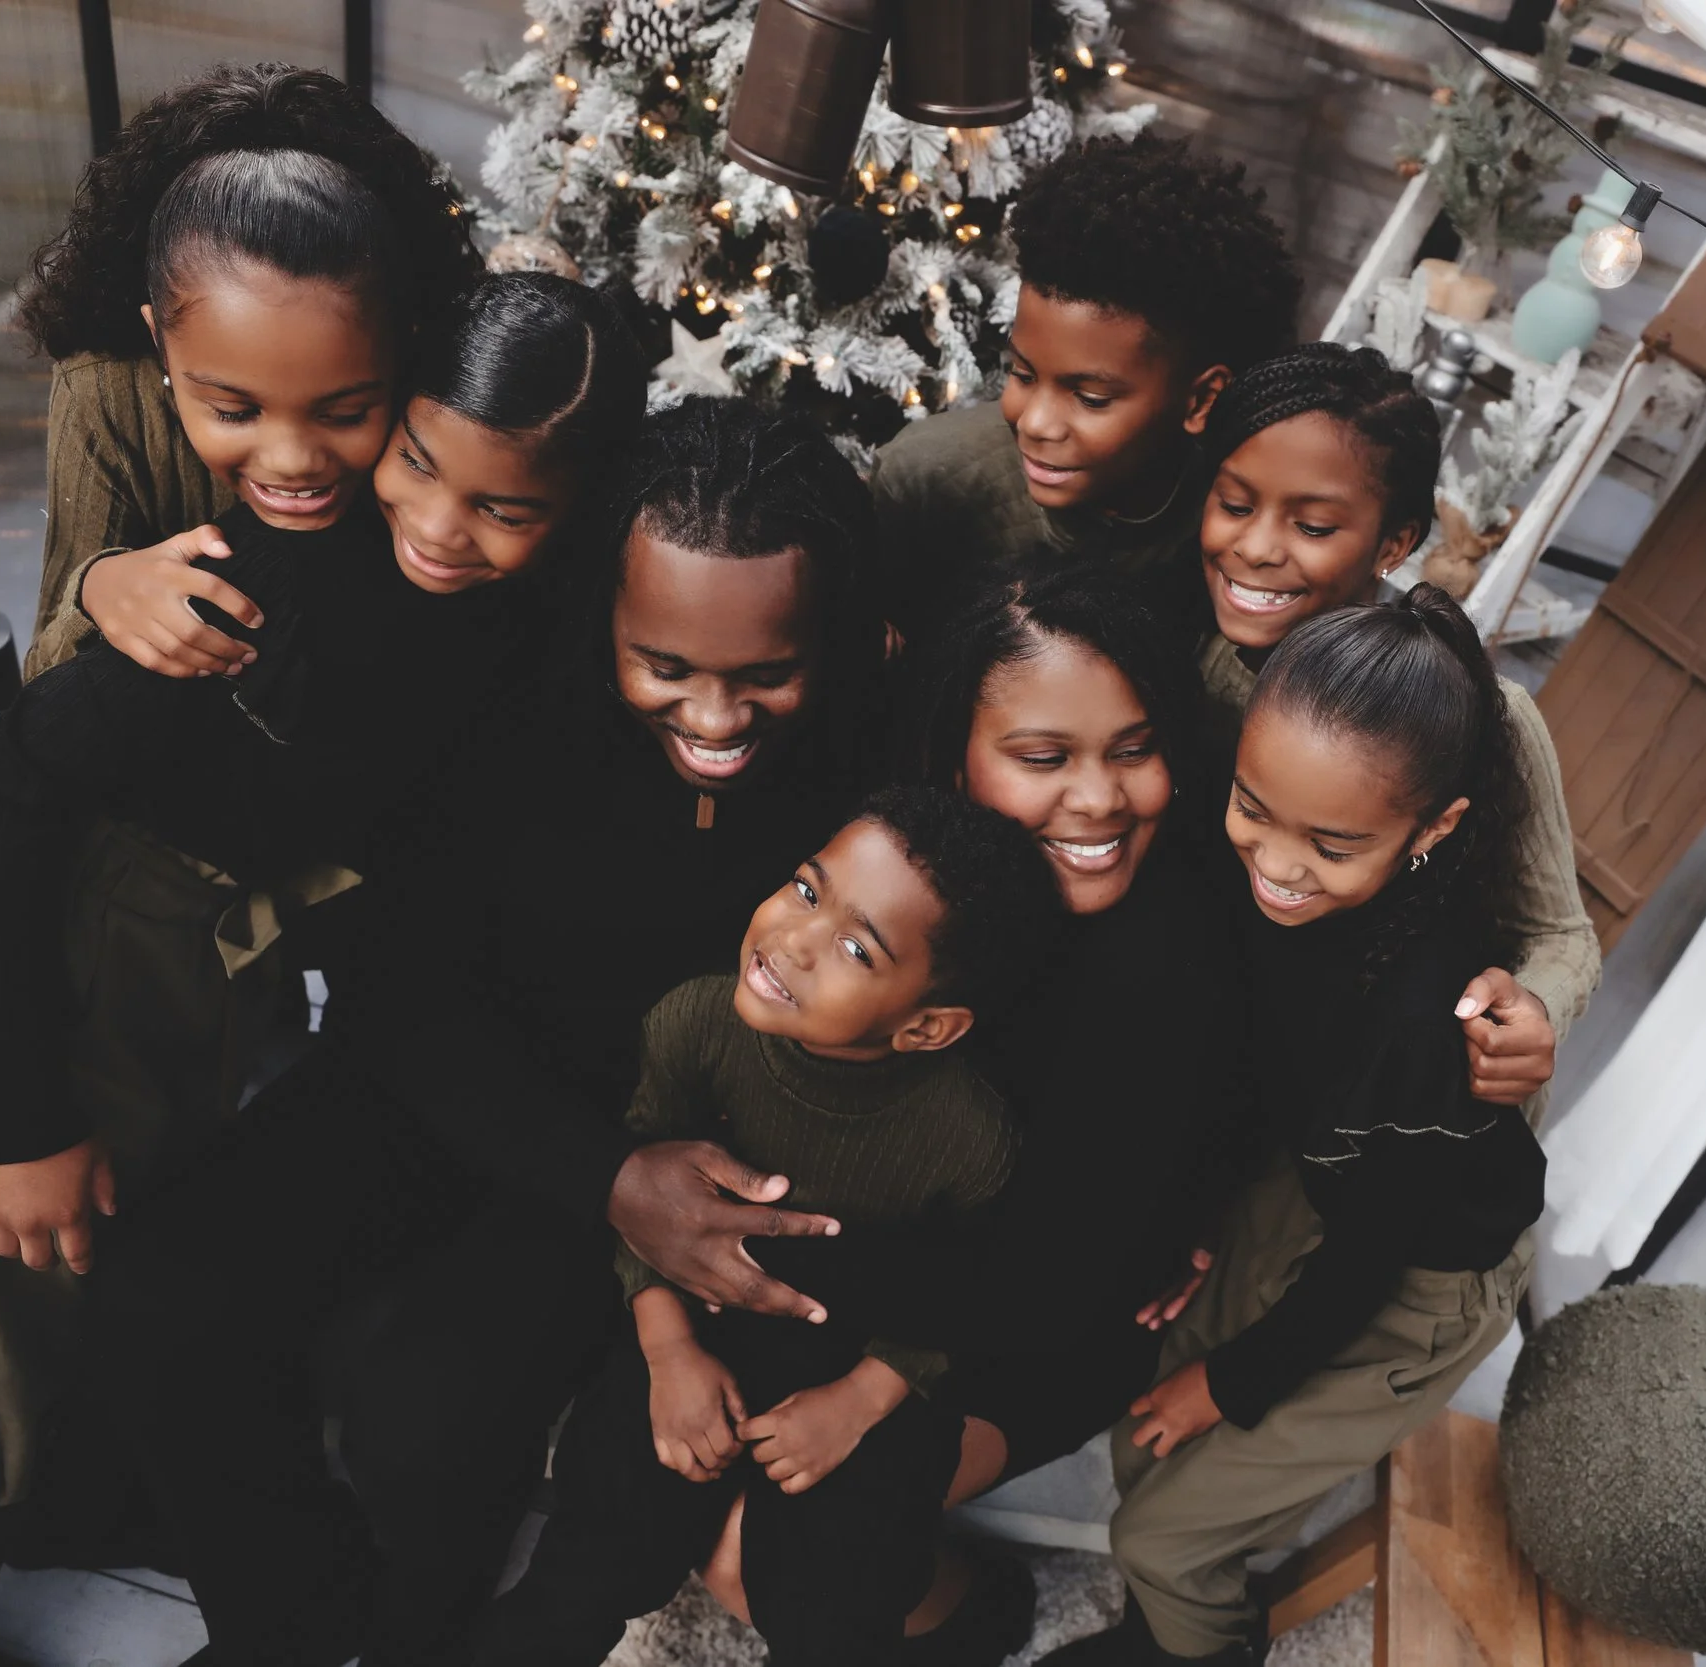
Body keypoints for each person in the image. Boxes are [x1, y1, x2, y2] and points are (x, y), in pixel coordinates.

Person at [0, 267, 643, 1662]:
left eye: (502, 505)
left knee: (122, 1295)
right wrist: (23, 1119)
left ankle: (187, 1568)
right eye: (420, 465)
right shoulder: (278, 562)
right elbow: (8, 796)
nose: (439, 525)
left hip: (237, 971)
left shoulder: (570, 611)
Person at [84, 397, 889, 1667]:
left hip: (670, 1142)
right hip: (451, 1078)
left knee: (433, 1411)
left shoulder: (872, 767)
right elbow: (393, 985)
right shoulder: (500, 694)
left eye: (764, 674)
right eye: (665, 666)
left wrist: (631, 1184)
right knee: (159, 1294)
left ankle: (414, 1634)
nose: (717, 718)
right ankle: (287, 1623)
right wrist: (599, 1173)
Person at [728, 564, 1258, 1663]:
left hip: (1034, 1326)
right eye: (1041, 757)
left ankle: (967, 1618)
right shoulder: (894, 876)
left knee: (791, 1569)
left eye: (1133, 747)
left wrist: (757, 1257)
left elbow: (1048, 1285)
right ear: (956, 758)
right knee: (730, 1541)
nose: (1101, 798)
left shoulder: (1163, 967)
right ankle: (956, 1599)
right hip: (884, 1259)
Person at [1050, 589, 1549, 1665]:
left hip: (1418, 1271)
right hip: (1310, 1179)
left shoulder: (1427, 1018)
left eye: (1329, 842)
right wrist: (1204, 1218)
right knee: (1144, 1431)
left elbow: (1371, 1253)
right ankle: (1155, 1636)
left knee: (1162, 1533)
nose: (1276, 862)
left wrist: (1228, 1383)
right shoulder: (1259, 888)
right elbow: (1250, 1070)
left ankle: (1195, 1642)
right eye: (1252, 808)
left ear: (1435, 828)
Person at [482, 788, 1062, 1667]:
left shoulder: (970, 1135)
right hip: (689, 1328)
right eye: (804, 889)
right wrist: (668, 1352)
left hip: (863, 1372)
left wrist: (857, 1404)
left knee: (826, 1606)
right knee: (594, 1556)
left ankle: (972, 1614)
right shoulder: (693, 1025)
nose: (793, 939)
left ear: (928, 1024)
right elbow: (635, 1212)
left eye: (855, 946)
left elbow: (970, 1296)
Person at [1193, 340, 1601, 1121]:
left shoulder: (1486, 716)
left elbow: (1560, 933)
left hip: (1368, 1093)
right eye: (1236, 504)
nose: (1254, 546)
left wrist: (1534, 1011)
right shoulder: (1203, 649)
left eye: (1312, 526)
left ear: (1394, 545)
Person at [13, 61, 477, 679]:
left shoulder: (439, 388)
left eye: (344, 412)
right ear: (159, 341)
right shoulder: (104, 389)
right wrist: (97, 586)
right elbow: (39, 675)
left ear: (403, 347)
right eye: (235, 410)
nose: (292, 460)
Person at [871, 135, 1301, 642]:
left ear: (1201, 399)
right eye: (1022, 373)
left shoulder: (1234, 520)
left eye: (1090, 398)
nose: (1033, 421)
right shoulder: (924, 480)